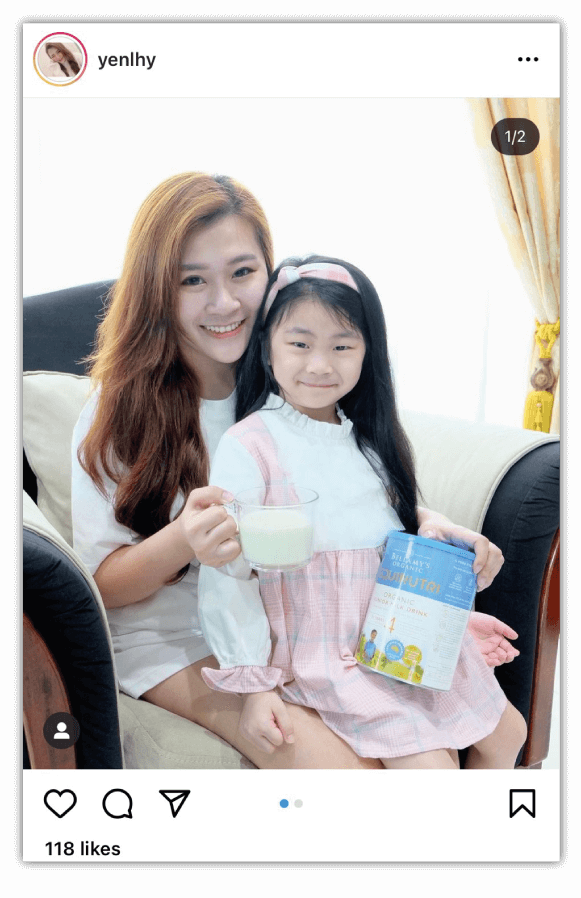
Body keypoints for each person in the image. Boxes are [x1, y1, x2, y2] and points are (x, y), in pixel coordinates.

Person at [71, 172, 512, 770]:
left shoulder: (296, 380)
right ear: (156, 290)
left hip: (303, 627)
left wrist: (428, 521)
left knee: (475, 739)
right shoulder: (122, 409)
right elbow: (99, 585)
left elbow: (347, 490)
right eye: (192, 280)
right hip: (173, 641)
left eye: (242, 272)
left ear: (270, 274)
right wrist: (185, 539)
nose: (224, 302)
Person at [198, 256, 527, 768]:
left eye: (342, 346)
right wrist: (254, 687)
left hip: (397, 640)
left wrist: (437, 529)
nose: (320, 365)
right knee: (433, 769)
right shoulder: (250, 445)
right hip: (329, 658)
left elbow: (385, 520)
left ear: (367, 352)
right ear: (266, 348)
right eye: (300, 344)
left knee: (510, 734)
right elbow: (229, 575)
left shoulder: (369, 442)